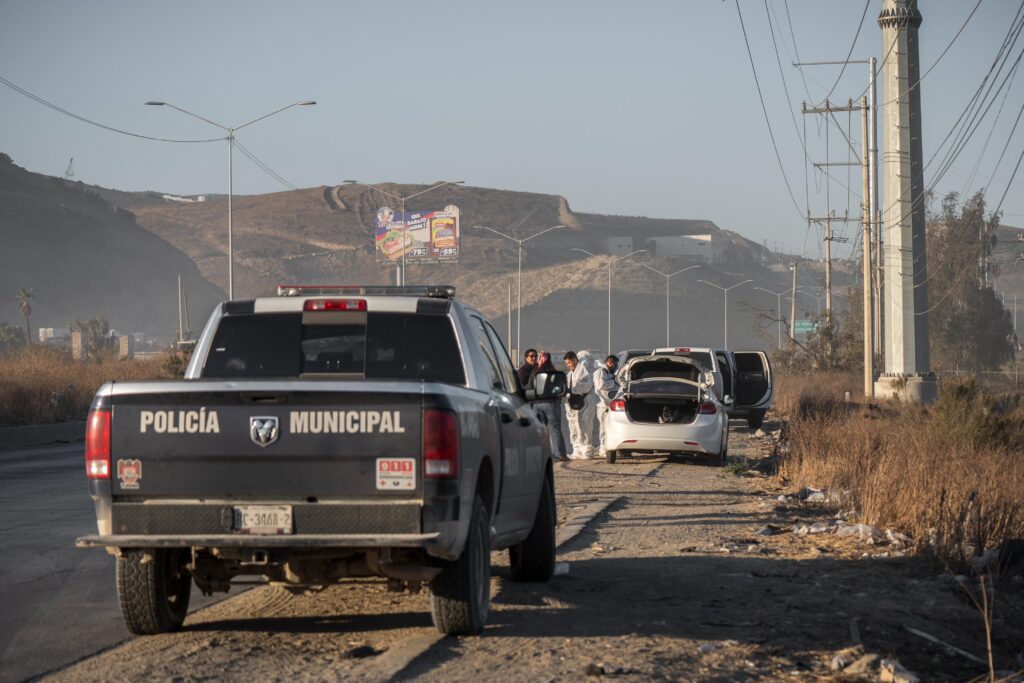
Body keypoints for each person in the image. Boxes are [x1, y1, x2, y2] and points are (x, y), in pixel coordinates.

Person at [529, 351, 568, 460]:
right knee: (555, 429)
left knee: (539, 430)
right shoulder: (554, 372)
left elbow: (529, 387)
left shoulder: (535, 372)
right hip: (551, 404)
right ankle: (561, 454)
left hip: (537, 404)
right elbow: (560, 388)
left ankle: (539, 454)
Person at [563, 350, 598, 459]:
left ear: (575, 360)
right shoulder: (570, 374)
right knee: (573, 426)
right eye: (567, 364)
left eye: (569, 363)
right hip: (573, 405)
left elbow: (586, 385)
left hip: (585, 403)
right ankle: (577, 449)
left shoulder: (584, 371)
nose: (568, 366)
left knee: (585, 425)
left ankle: (587, 449)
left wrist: (572, 389)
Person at [593, 355, 619, 458]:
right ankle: (603, 449)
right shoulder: (600, 372)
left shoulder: (609, 373)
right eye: (615, 364)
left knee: (611, 428)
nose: (615, 367)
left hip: (610, 405)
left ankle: (609, 447)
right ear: (610, 363)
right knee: (604, 428)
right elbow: (601, 385)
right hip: (603, 406)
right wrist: (613, 382)